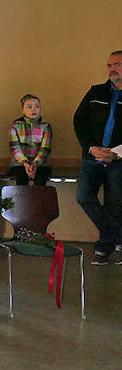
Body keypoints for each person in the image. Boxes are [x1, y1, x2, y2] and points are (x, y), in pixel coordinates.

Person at [73, 50, 122, 265]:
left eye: (118, 64)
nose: (112, 69)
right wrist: (90, 147)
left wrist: (117, 152)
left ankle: (104, 248)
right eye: (109, 65)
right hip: (92, 156)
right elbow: (79, 121)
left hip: (118, 159)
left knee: (115, 202)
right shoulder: (96, 92)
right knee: (84, 197)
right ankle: (117, 238)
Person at [9, 94, 53, 185]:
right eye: (29, 107)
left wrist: (35, 163)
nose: (33, 109)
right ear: (22, 110)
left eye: (37, 106)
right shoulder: (16, 125)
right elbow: (15, 147)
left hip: (41, 163)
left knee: (40, 181)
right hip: (20, 163)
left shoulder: (45, 126)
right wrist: (25, 163)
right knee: (21, 180)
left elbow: (45, 148)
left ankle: (39, 199)